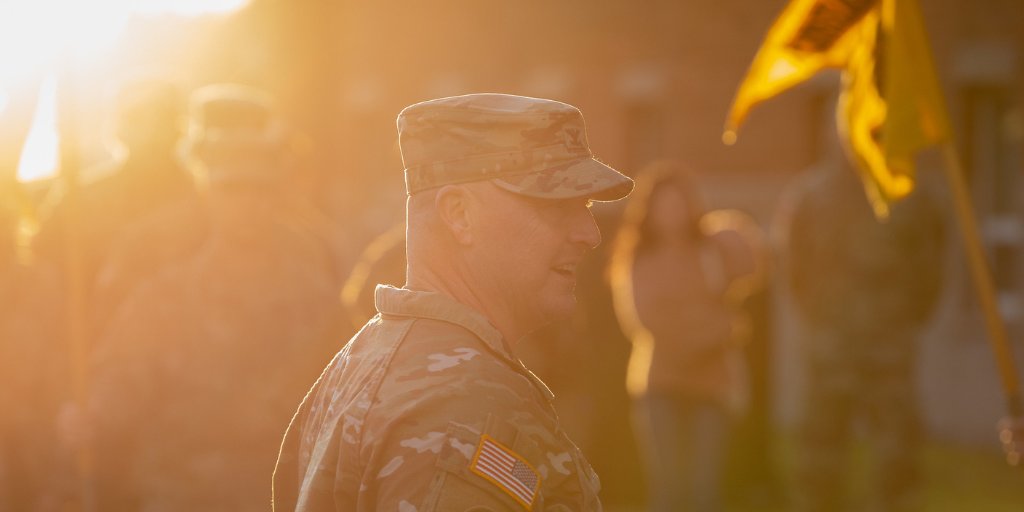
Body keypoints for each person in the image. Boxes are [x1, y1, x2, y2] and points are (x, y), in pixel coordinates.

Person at [273, 93, 634, 511]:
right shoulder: (464, 408)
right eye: (556, 204)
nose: (589, 233)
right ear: (459, 214)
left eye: (585, 204)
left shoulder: (362, 361)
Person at [86, 84, 345, 511]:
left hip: (280, 488)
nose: (246, 202)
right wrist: (94, 412)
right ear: (208, 186)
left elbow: (341, 384)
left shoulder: (314, 275)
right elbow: (122, 367)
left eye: (257, 188)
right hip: (178, 488)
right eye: (232, 187)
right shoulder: (159, 269)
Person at [779, 163, 945, 512]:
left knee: (897, 455)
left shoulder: (909, 191)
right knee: (819, 454)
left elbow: (931, 262)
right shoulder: (812, 194)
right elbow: (793, 263)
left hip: (889, 348)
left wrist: (905, 318)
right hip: (830, 348)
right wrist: (819, 317)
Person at [608, 162, 763, 512]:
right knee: (667, 491)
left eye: (680, 204)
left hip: (713, 387)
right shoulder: (638, 258)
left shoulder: (713, 249)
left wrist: (731, 232)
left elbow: (752, 270)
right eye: (665, 205)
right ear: (650, 211)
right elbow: (648, 320)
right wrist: (714, 330)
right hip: (660, 385)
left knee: (704, 491)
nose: (673, 213)